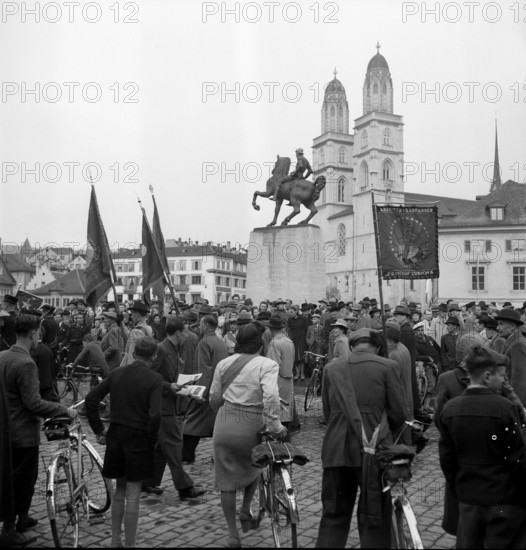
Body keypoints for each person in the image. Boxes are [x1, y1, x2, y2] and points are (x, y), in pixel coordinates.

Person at [316, 328, 406, 548]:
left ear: (352, 345)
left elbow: (327, 413)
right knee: (374, 517)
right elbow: (398, 414)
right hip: (373, 450)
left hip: (337, 449)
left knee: (333, 514)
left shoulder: (331, 368)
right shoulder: (387, 366)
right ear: (376, 346)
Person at [437, 346, 526, 548]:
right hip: (502, 501)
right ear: (487, 376)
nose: (504, 381)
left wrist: (459, 486)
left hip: (469, 499)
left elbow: (447, 460)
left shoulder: (451, 408)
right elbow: (518, 458)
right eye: (502, 376)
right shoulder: (505, 408)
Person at [0, 315, 77, 546]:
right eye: (38, 334)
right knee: (22, 481)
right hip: (22, 433)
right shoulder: (25, 363)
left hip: (6, 429)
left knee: (13, 477)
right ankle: (9, 529)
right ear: (33, 334)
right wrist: (63, 408)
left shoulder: (2, 356)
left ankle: (22, 518)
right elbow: (34, 403)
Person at [210, 323, 287, 547]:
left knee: (226, 480)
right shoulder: (267, 364)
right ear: (260, 342)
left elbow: (214, 396)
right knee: (256, 464)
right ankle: (245, 509)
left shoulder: (224, 363)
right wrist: (275, 426)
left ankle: (233, 534)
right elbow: (271, 398)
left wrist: (222, 413)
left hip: (224, 423)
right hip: (252, 423)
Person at [85, 337, 162, 548]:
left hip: (117, 434)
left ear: (134, 353)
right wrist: (152, 439)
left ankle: (115, 540)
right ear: (153, 357)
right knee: (133, 493)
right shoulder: (154, 379)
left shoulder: (117, 373)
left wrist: (99, 430)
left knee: (119, 489)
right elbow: (155, 415)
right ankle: (129, 544)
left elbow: (91, 400)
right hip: (139, 436)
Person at [141, 317, 206, 501]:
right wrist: (169, 386)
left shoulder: (175, 349)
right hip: (161, 406)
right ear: (177, 333)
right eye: (185, 332)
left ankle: (149, 482)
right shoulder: (161, 349)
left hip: (169, 403)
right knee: (174, 446)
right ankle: (184, 487)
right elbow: (148, 376)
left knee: (161, 448)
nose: (187, 335)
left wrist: (189, 390)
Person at [182, 315, 228, 464]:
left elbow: (204, 370)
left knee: (191, 425)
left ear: (207, 325)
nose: (199, 327)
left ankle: (187, 456)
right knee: (215, 424)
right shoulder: (221, 343)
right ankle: (219, 455)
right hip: (219, 389)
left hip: (207, 390)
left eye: (201, 324)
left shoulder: (205, 342)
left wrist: (200, 392)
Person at [266, 315, 295, 433]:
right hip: (289, 379)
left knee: (277, 412)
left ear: (271, 329)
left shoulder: (274, 343)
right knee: (287, 411)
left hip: (278, 380)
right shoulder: (289, 341)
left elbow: (272, 366)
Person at [496, 308, 526, 405]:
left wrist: (517, 408)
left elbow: (519, 381)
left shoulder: (517, 344)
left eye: (501, 324)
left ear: (512, 326)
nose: (497, 327)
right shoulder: (512, 342)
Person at [120, 301, 154, 366]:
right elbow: (130, 334)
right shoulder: (148, 328)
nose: (132, 317)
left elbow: (131, 354)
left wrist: (130, 368)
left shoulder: (136, 331)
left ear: (137, 314)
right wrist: (121, 323)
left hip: (135, 366)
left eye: (132, 314)